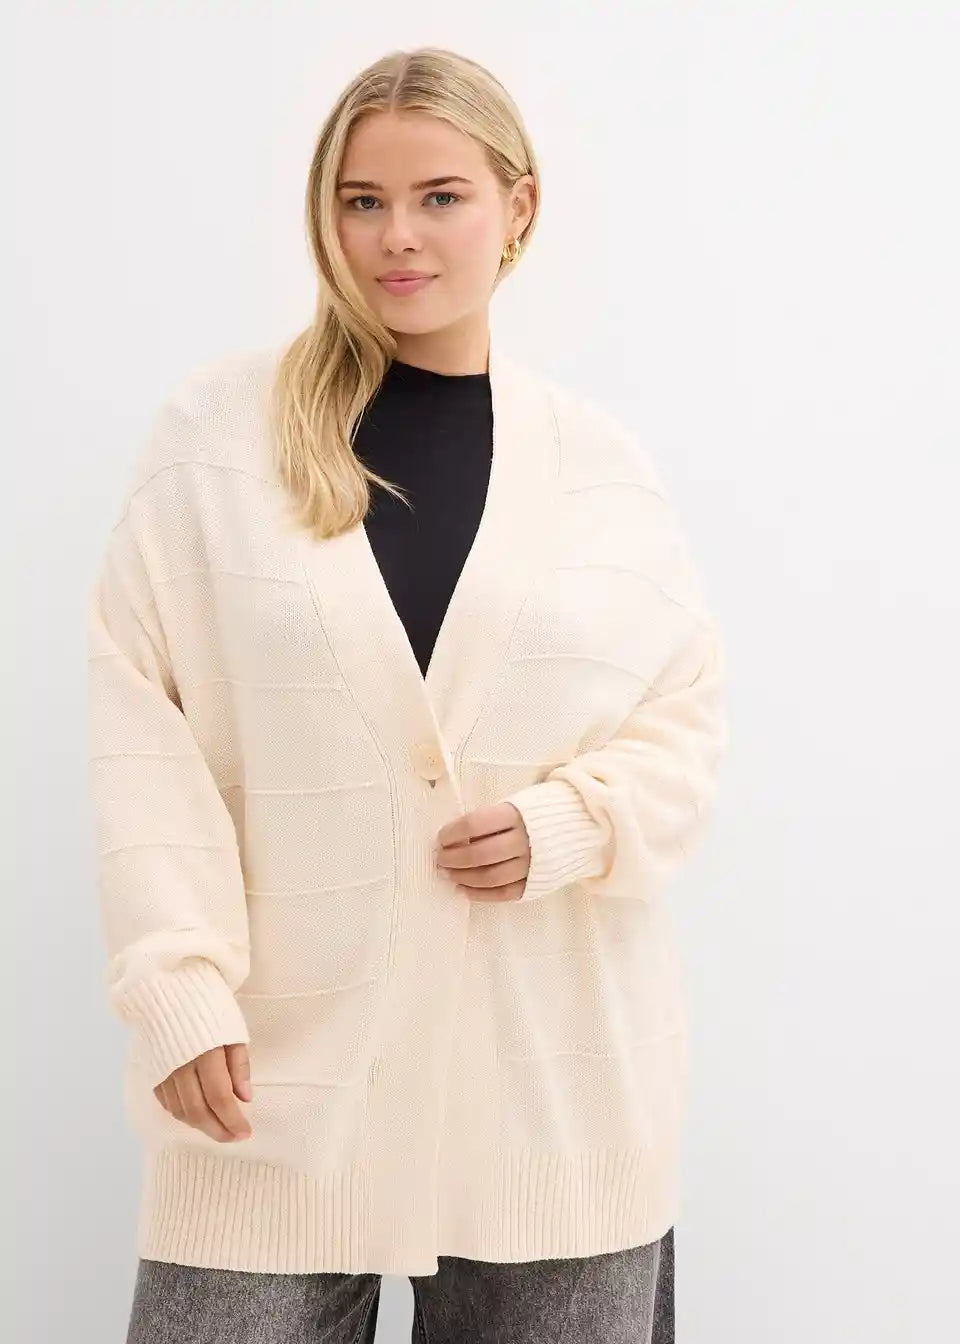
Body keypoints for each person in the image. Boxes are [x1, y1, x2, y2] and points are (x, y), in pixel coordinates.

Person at [87, 44, 725, 1344]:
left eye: (440, 197)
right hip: (270, 1076)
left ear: (518, 207)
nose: (397, 237)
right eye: (361, 200)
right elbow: (140, 727)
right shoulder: (217, 443)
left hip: (554, 1087)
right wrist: (177, 985)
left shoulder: (599, 471)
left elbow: (686, 723)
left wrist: (576, 823)